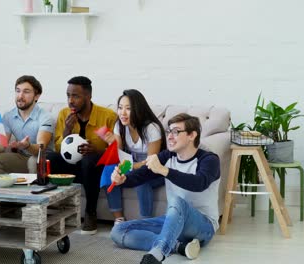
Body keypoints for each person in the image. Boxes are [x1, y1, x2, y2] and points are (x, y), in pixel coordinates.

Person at [110, 113, 220, 263]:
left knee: (177, 202)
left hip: (203, 226)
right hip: (174, 220)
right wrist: (123, 179)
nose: (169, 136)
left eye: (176, 132)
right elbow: (141, 175)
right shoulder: (167, 156)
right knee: (118, 231)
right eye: (169, 132)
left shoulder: (209, 159)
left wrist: (164, 170)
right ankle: (177, 246)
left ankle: (158, 253)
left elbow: (199, 183)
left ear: (192, 135)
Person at [47, 76, 117, 235]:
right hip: (73, 167)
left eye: (75, 96)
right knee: (51, 158)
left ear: (88, 96)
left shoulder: (108, 116)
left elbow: (116, 151)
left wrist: (97, 151)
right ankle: (56, 210)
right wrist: (66, 131)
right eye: (68, 95)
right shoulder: (65, 114)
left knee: (88, 160)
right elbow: (58, 147)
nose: (70, 100)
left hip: (94, 168)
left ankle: (90, 212)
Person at [103, 89, 166, 224]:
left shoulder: (151, 128)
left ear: (138, 110)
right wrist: (111, 146)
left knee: (141, 180)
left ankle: (146, 221)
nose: (122, 113)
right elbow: (118, 153)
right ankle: (119, 219)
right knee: (110, 172)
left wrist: (129, 166)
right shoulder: (119, 125)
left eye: (128, 109)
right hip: (131, 162)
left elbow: (151, 162)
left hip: (155, 167)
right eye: (120, 108)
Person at [0, 75, 54, 175]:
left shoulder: (46, 117)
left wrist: (27, 146)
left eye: (26, 92)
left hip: (43, 159)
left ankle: (36, 190)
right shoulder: (8, 116)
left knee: (34, 161)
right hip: (23, 157)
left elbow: (41, 149)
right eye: (18, 91)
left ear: (37, 96)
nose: (20, 96)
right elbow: (2, 146)